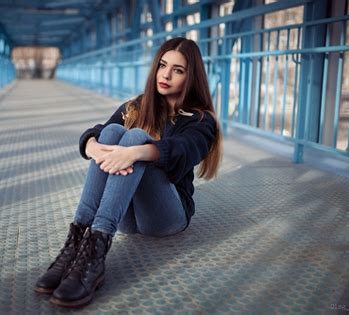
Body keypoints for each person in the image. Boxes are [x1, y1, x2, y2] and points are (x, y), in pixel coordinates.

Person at [34, 37, 223, 308]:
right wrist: (94, 148)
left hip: (167, 217)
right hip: (127, 217)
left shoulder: (200, 120)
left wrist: (135, 151)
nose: (166, 75)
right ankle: (76, 243)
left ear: (191, 77)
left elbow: (182, 150)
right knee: (111, 132)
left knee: (134, 137)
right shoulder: (138, 105)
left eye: (178, 70)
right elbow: (99, 132)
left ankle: (95, 257)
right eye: (162, 66)